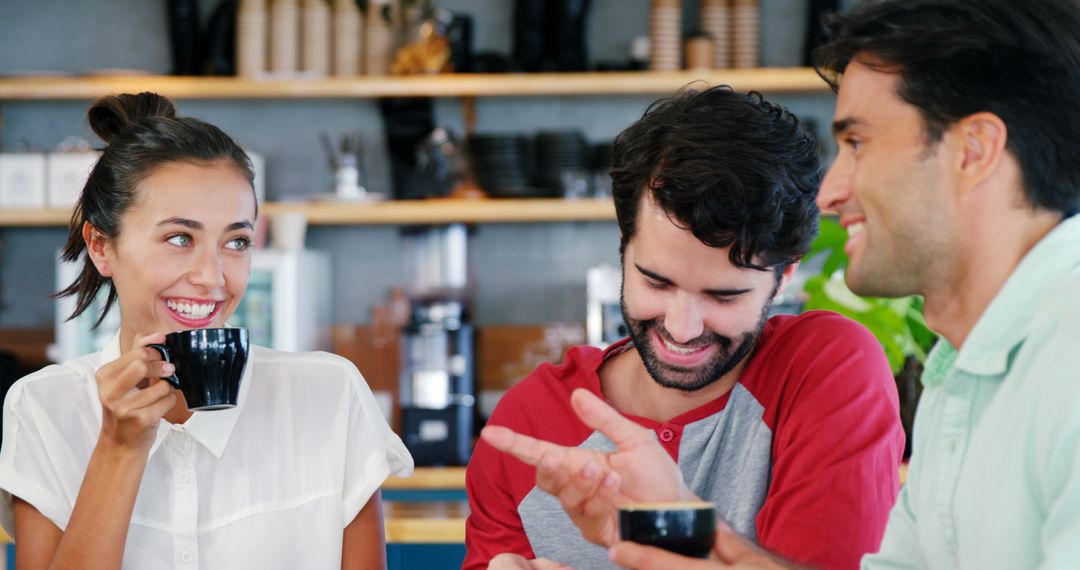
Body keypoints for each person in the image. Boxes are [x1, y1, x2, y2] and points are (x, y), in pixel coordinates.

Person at [491, 0, 1080, 568]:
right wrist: (671, 522)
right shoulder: (970, 370)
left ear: (973, 152)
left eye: (856, 143)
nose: (830, 192)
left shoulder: (1065, 361)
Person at [465, 86, 905, 570]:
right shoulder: (528, 424)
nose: (682, 327)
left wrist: (678, 529)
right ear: (623, 243)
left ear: (785, 276)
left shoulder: (824, 372)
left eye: (723, 295)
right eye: (656, 281)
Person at [0, 92, 413, 569]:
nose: (213, 276)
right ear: (101, 246)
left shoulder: (329, 395)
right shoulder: (44, 408)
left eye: (236, 241)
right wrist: (120, 448)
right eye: (180, 238)